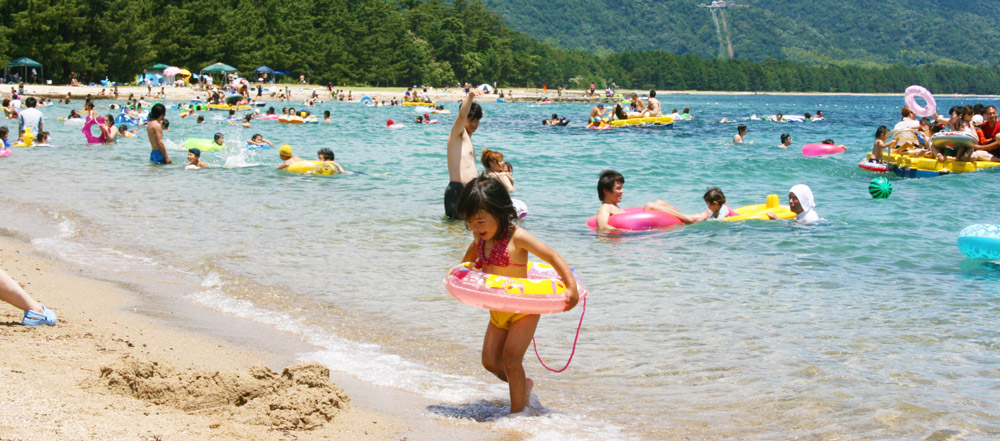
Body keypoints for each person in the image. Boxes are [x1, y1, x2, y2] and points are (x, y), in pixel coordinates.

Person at [455, 174, 579, 415]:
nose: (474, 228)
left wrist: (570, 286)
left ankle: (518, 414)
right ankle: (524, 386)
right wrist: (465, 269)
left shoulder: (517, 237)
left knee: (512, 360)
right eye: (469, 222)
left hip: (523, 310)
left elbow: (551, 256)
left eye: (480, 221)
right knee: (490, 362)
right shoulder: (479, 236)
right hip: (498, 311)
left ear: (500, 212)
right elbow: (474, 251)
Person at [594, 170, 710, 230]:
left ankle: (686, 217)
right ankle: (688, 219)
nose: (622, 191)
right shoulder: (605, 207)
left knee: (659, 202)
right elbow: (603, 227)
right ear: (606, 191)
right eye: (618, 189)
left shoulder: (615, 207)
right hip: (633, 235)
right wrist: (627, 234)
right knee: (650, 205)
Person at [445, 83, 485, 219]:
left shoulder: (469, 138)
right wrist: (471, 96)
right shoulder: (457, 134)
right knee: (456, 231)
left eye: (477, 121)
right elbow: (462, 116)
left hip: (470, 190)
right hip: (458, 189)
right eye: (471, 120)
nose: (474, 124)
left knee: (466, 232)